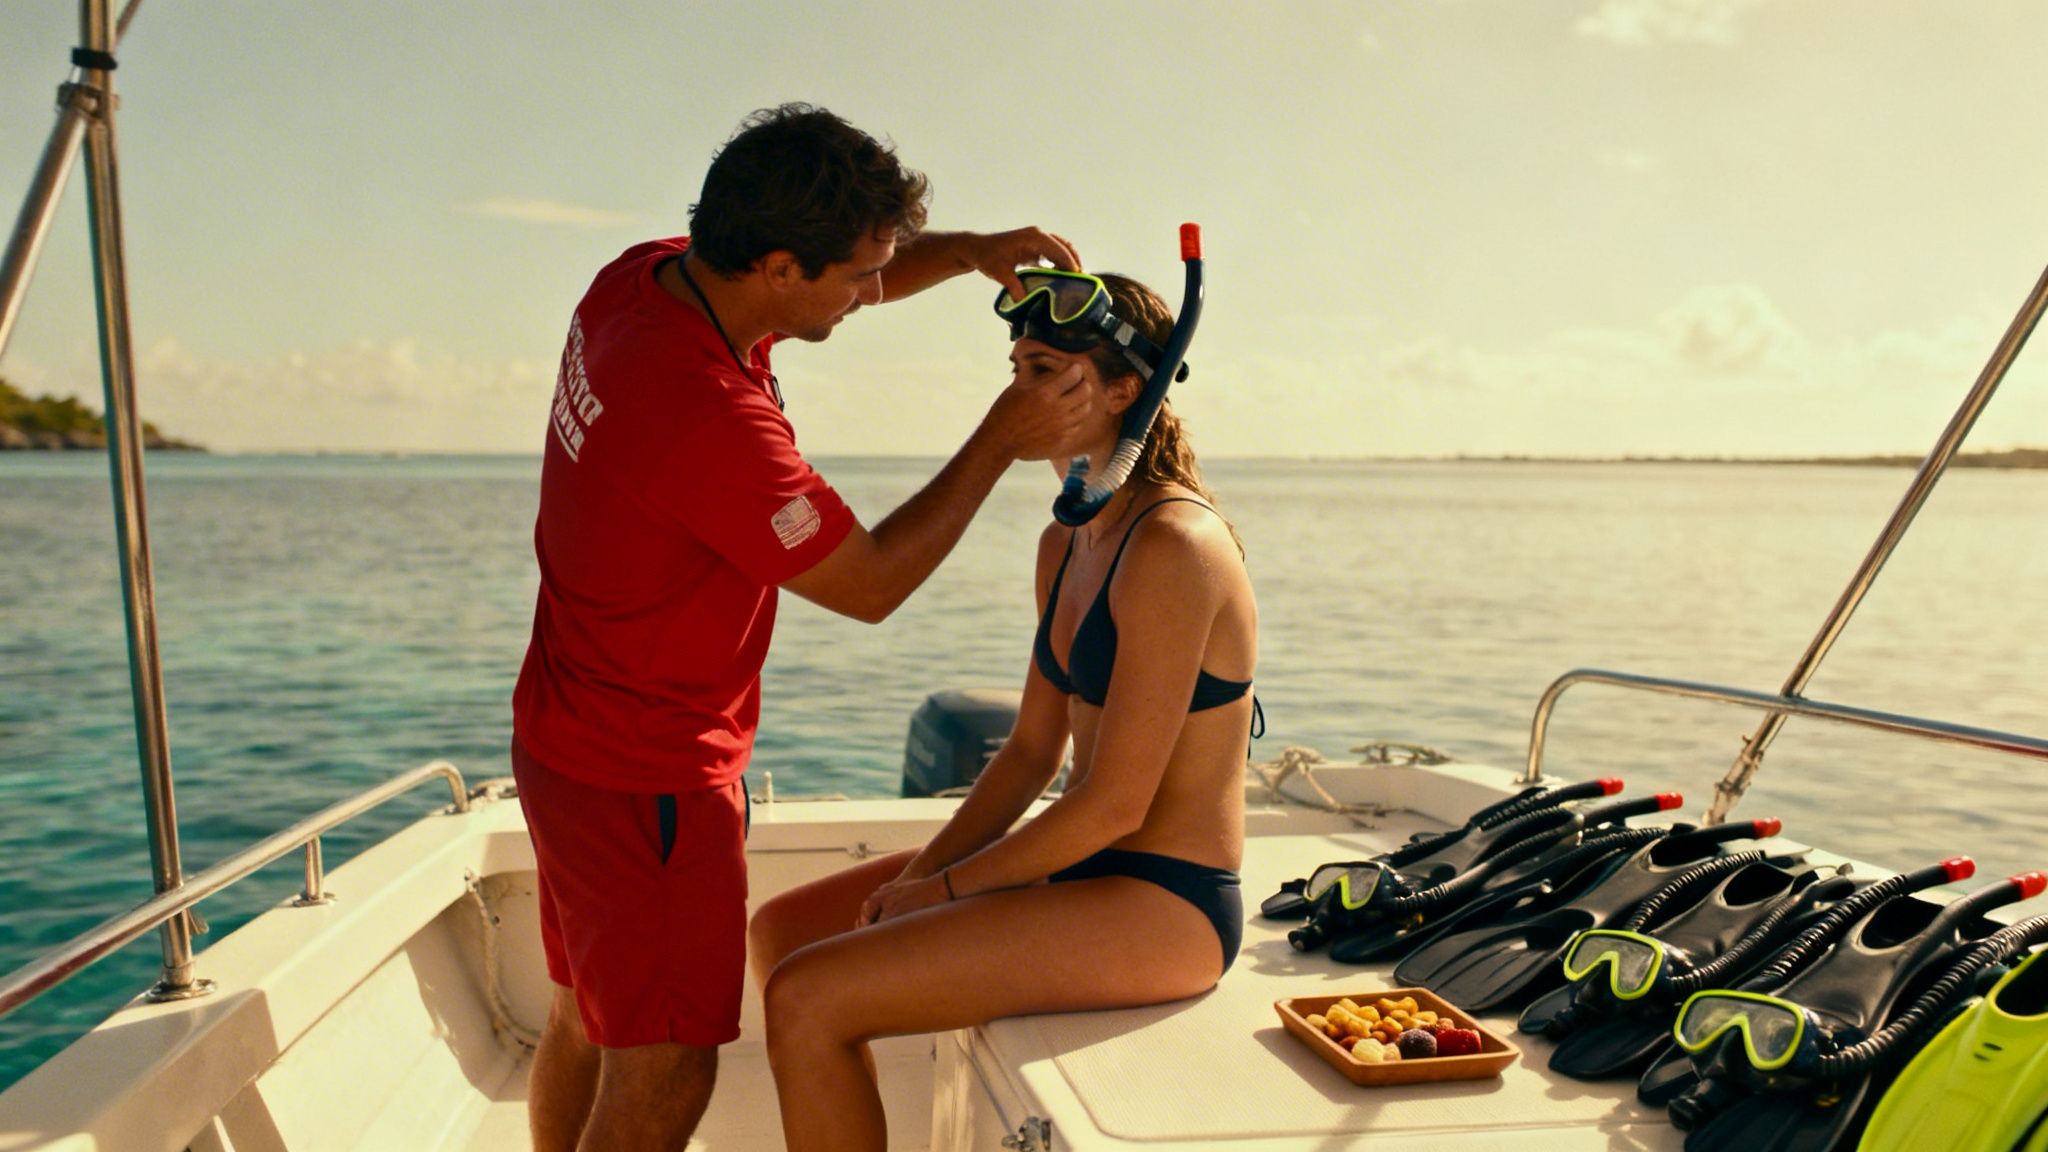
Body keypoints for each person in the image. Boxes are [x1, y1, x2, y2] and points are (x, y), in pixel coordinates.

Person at [509, 103, 1101, 1151]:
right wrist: (997, 441)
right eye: (861, 273)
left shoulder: (645, 280)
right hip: (650, 775)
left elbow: (837, 283)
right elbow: (869, 583)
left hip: (563, 738)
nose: (874, 291)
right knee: (664, 1067)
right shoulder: (701, 415)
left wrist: (966, 255)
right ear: (779, 268)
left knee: (585, 1016)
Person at [748, 271, 1259, 1152]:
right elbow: (1028, 752)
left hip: (1162, 901)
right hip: (1076, 872)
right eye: (1016, 366)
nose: (1016, 393)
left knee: (809, 994)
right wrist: (916, 886)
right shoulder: (1065, 539)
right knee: (781, 931)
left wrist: (941, 893)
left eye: (1046, 371)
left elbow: (1114, 805)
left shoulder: (1177, 545)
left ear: (1123, 390)